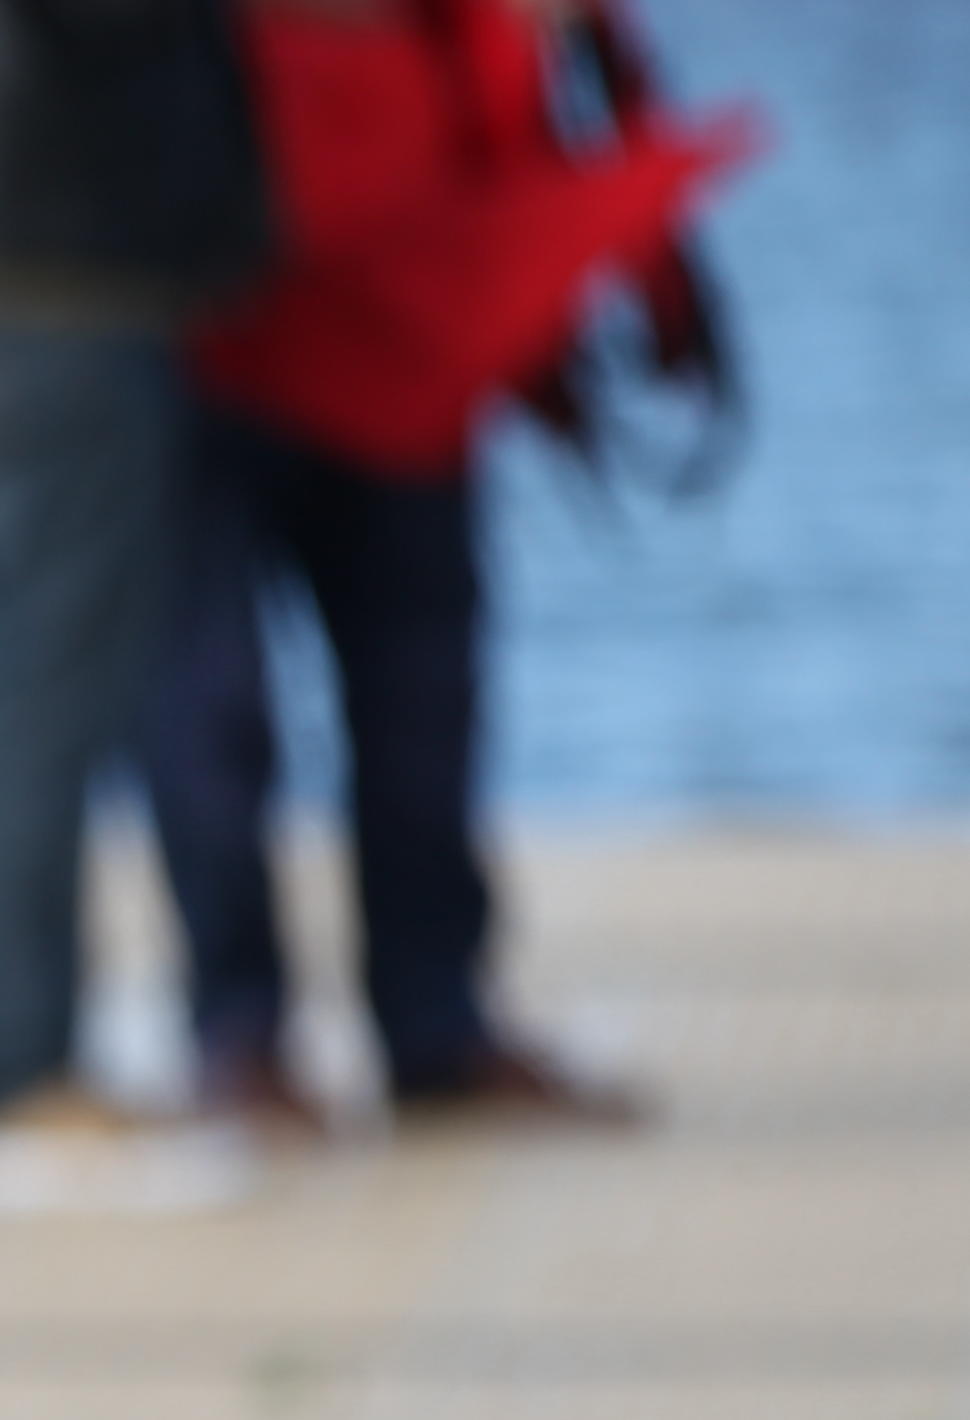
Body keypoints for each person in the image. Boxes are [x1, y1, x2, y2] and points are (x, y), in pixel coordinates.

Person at [142, 0, 750, 1131]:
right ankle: (239, 1036)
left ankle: (436, 1029)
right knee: (210, 709)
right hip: (196, 334)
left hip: (410, 326)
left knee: (422, 700)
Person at [0, 0, 276, 1159]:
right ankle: (22, 1067)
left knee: (37, 682)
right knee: (46, 690)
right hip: (47, 293)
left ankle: (27, 1055)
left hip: (22, 276)